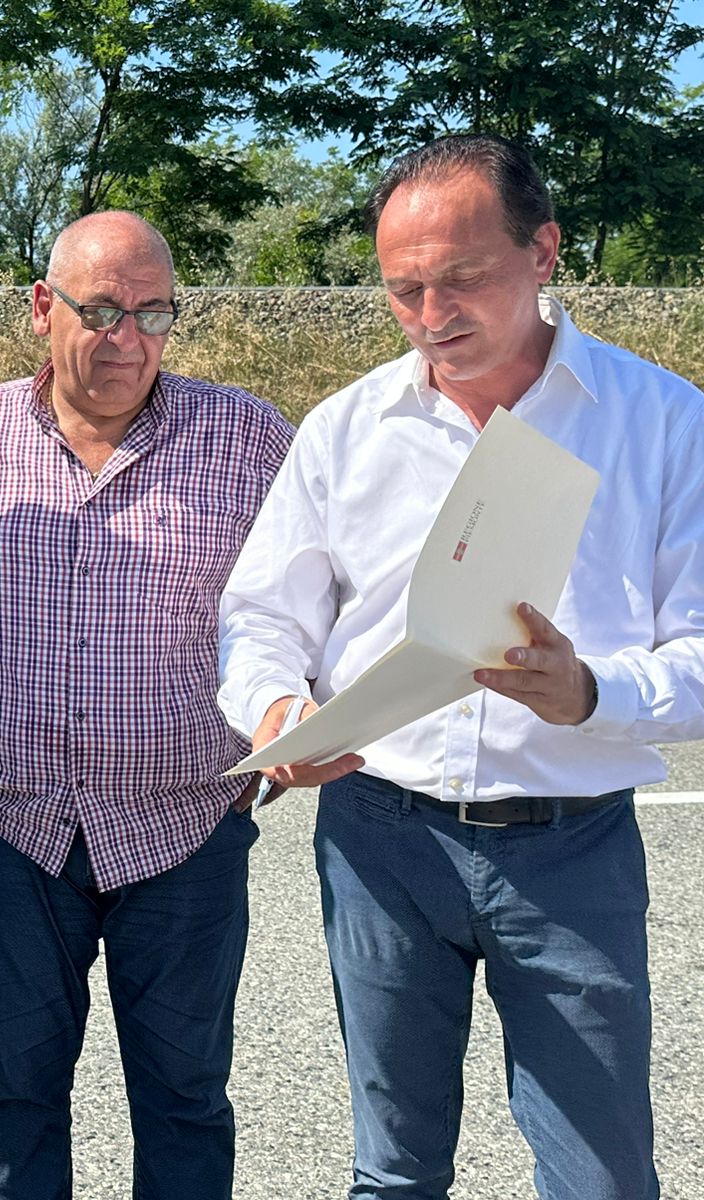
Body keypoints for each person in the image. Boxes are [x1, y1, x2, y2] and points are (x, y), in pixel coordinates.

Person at [218, 134, 704, 1200]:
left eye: (462, 278)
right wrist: (277, 708)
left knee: (602, 1180)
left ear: (544, 251)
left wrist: (593, 692)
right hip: (380, 840)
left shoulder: (665, 423)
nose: (432, 314)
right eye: (403, 290)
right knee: (392, 1174)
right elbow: (259, 615)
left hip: (573, 848)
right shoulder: (346, 429)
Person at [0, 210, 294, 1200]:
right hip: (12, 833)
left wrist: (282, 730)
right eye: (100, 311)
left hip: (188, 830)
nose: (126, 339)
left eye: (152, 313)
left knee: (185, 1100)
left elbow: (324, 595)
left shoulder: (248, 438)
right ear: (40, 308)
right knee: (13, 1098)